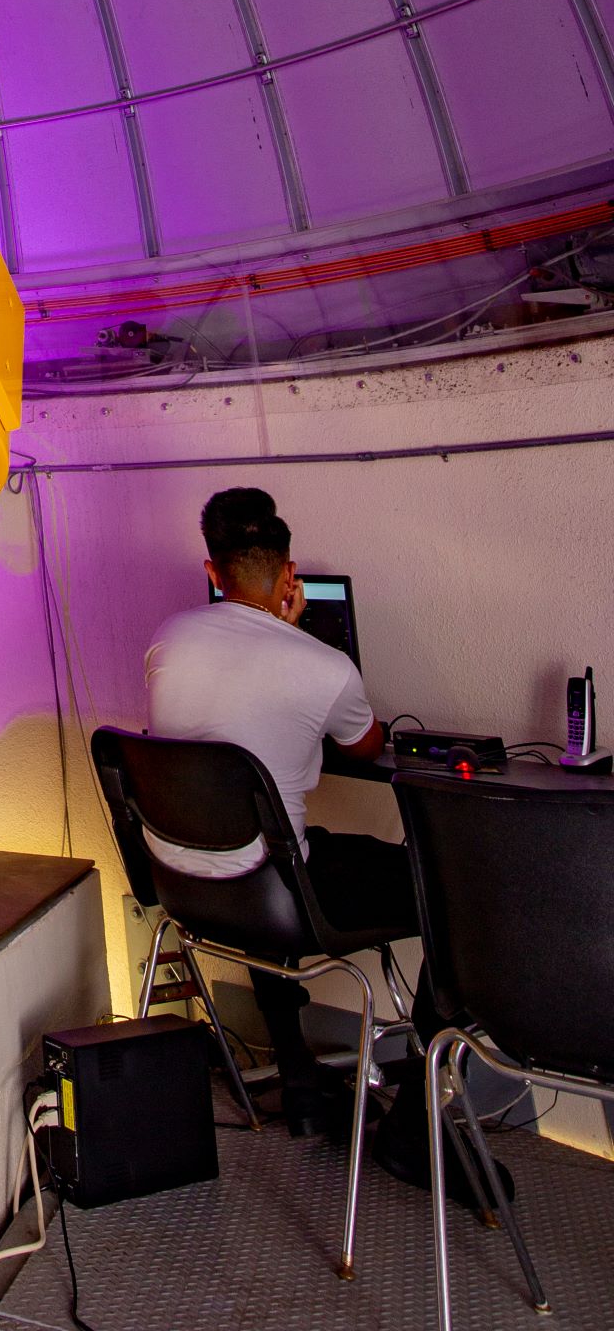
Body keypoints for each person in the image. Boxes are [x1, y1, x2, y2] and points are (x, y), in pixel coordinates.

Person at [144, 486, 477, 1195]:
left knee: (282, 846)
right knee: (459, 898)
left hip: (186, 887)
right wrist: (296, 637)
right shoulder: (325, 667)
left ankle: (298, 1079)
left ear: (212, 571)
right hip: (279, 894)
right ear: (289, 573)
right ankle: (415, 1122)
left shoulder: (167, 640)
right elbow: (365, 746)